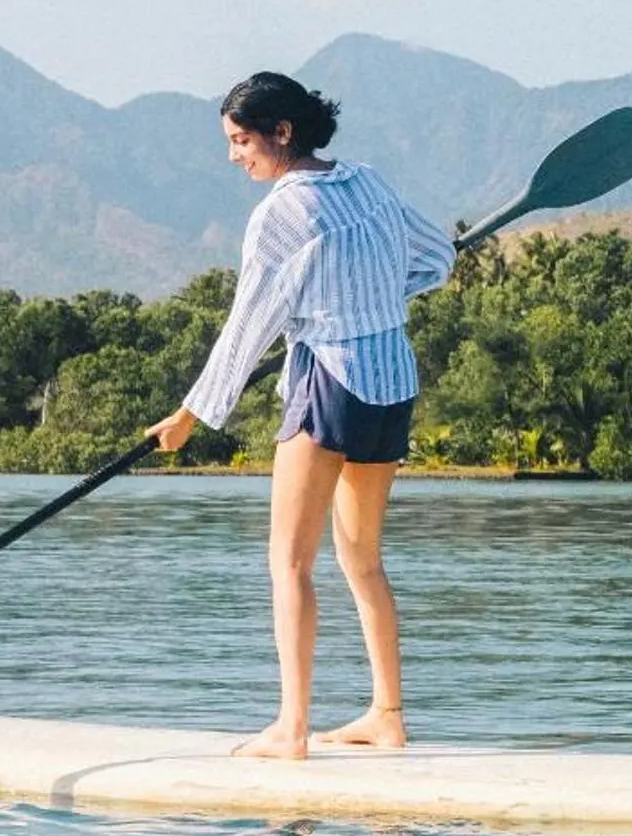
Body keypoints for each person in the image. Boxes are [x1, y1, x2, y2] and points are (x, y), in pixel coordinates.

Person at [149, 72, 455, 760]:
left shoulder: (280, 214)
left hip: (332, 383)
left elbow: (246, 328)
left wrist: (190, 416)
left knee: (288, 561)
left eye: (240, 140)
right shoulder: (371, 182)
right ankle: (388, 715)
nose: (234, 156)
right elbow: (438, 258)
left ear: (281, 132)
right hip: (393, 380)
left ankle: (291, 728)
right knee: (363, 560)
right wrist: (375, 298)